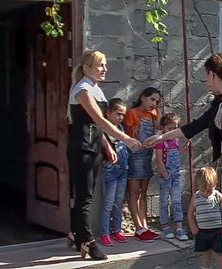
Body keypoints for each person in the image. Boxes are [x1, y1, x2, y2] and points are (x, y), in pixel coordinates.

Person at [145, 52, 222, 269]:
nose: (204, 80)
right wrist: (161, 137)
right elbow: (194, 126)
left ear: (212, 73)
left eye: (205, 75)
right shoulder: (220, 100)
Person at [66, 50, 140, 260]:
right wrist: (125, 139)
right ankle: (88, 242)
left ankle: (74, 233)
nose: (104, 69)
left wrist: (106, 145)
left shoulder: (95, 89)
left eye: (105, 65)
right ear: (87, 68)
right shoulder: (82, 90)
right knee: (84, 197)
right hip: (81, 148)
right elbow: (100, 121)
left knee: (85, 194)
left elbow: (97, 127)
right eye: (100, 65)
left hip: (93, 146)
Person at [123, 87, 162, 242]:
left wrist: (158, 112)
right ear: (142, 97)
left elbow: (158, 127)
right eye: (152, 99)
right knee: (133, 193)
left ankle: (145, 226)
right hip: (134, 157)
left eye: (157, 101)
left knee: (143, 193)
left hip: (146, 157)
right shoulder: (132, 113)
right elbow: (126, 135)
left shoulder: (152, 114)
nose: (154, 103)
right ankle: (138, 228)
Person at [99, 98, 130, 247]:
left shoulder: (121, 129)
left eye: (123, 115)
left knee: (118, 202)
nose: (121, 118)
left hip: (123, 170)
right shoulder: (103, 130)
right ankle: (104, 232)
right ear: (108, 113)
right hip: (111, 171)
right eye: (118, 114)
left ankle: (116, 229)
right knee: (108, 203)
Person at [155, 112, 188, 241]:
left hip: (176, 175)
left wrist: (184, 149)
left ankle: (179, 227)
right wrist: (165, 175)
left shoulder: (175, 140)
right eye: (169, 129)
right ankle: (165, 225)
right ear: (163, 128)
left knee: (176, 201)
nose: (172, 132)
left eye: (175, 129)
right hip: (166, 176)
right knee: (164, 201)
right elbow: (159, 161)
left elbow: (175, 154)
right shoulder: (160, 142)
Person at [187, 167, 222, 269]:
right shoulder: (195, 198)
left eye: (209, 190)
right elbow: (190, 213)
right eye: (203, 190)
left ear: (214, 184)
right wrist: (193, 226)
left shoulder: (218, 196)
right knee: (205, 254)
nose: (206, 192)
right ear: (198, 186)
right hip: (202, 232)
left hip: (217, 231)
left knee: (220, 254)